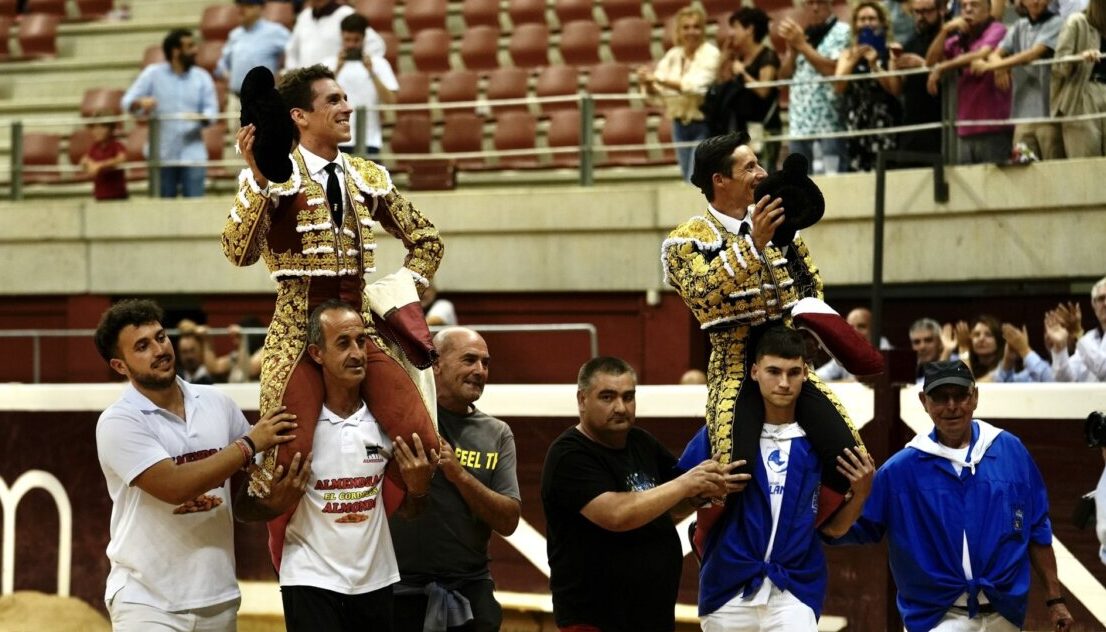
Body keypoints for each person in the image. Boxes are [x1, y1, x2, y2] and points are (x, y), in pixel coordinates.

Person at [222, 63, 443, 562]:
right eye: (334, 101)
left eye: (346, 98)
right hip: (297, 329)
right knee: (284, 458)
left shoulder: (366, 175)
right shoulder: (274, 174)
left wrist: (400, 294)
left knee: (424, 440)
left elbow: (427, 240)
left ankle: (389, 515)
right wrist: (259, 179)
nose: (348, 107)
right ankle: (288, 552)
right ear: (299, 116)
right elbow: (238, 253)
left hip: (360, 325)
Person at [662, 132, 866, 522]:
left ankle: (810, 532)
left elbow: (811, 288)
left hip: (790, 362)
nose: (762, 173)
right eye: (750, 167)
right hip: (735, 367)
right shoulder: (687, 239)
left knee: (852, 459)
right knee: (732, 470)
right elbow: (703, 294)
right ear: (720, 180)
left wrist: (785, 250)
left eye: (759, 163)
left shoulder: (777, 225)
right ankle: (710, 539)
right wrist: (753, 244)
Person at [93, 299, 296, 630]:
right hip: (146, 602)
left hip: (218, 595)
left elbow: (254, 481)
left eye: (161, 337)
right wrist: (248, 444)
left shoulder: (217, 402)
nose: (159, 349)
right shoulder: (119, 421)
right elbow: (174, 487)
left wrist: (275, 496)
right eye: (142, 346)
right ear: (120, 366)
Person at [828, 360, 1075, 632]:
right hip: (937, 619)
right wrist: (853, 496)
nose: (952, 406)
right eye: (940, 397)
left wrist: (1055, 599)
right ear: (924, 401)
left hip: (1005, 615)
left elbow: (1037, 528)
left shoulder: (1010, 452)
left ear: (975, 396)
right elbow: (848, 529)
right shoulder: (899, 471)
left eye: (960, 395)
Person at [234, 300, 435, 632]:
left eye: (361, 341)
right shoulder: (292, 427)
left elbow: (412, 512)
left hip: (376, 578)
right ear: (317, 353)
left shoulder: (387, 424)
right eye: (343, 343)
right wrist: (274, 503)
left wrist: (419, 490)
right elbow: (243, 508)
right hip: (308, 578)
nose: (356, 353)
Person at [680, 326, 876, 631]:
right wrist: (702, 489)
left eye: (793, 372)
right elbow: (677, 502)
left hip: (795, 589)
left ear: (805, 374)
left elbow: (833, 530)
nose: (784, 383)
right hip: (728, 589)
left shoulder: (820, 445)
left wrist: (861, 493)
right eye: (774, 371)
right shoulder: (721, 436)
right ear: (755, 372)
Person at [541, 356, 746, 632]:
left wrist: (699, 494)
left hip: (654, 616)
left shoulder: (641, 442)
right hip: (595, 620)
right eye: (607, 397)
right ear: (582, 400)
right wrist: (687, 484)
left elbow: (668, 507)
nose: (620, 407)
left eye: (628, 397)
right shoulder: (568, 455)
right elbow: (617, 515)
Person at [390, 327, 521, 632]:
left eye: (485, 363)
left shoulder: (497, 433)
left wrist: (458, 474)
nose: (480, 371)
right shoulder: (400, 419)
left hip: (470, 592)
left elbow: (509, 520)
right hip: (398, 591)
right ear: (436, 363)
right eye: (469, 360)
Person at [121, 28, 218, 198]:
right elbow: (127, 102)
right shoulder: (152, 74)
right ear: (175, 51)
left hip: (193, 154)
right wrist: (140, 103)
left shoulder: (202, 77)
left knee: (194, 207)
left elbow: (212, 112)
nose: (196, 50)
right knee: (163, 208)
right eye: (190, 46)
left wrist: (200, 117)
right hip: (162, 155)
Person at [971, 0, 1065, 161]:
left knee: (1053, 164)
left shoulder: (1057, 23)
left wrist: (990, 67)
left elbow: (1032, 54)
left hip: (1048, 115)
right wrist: (999, 68)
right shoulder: (1019, 26)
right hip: (1023, 116)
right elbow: (995, 54)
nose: (1035, 1)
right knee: (1021, 165)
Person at [637, 5, 721, 182]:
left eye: (696, 27)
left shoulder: (711, 54)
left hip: (704, 122)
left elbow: (695, 86)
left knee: (695, 177)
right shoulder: (673, 55)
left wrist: (656, 79)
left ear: (703, 30)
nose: (691, 32)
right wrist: (648, 83)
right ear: (679, 31)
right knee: (686, 176)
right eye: (686, 27)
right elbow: (658, 93)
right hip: (678, 124)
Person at [925, 0, 1012, 164]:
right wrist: (944, 31)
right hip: (965, 127)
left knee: (995, 180)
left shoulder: (997, 29)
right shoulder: (958, 39)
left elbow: (982, 53)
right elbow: (930, 62)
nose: (968, 10)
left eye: (974, 5)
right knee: (966, 179)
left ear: (988, 10)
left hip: (994, 126)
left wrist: (943, 67)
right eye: (964, 6)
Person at [703, 8, 782, 172]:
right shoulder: (739, 57)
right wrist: (724, 57)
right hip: (741, 127)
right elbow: (720, 84)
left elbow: (764, 90)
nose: (731, 33)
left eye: (735, 27)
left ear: (749, 29)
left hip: (763, 127)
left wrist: (743, 73)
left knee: (764, 172)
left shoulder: (767, 56)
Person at [778, 0, 852, 174]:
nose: (815, 8)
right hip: (799, 122)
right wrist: (793, 52)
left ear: (830, 3)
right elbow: (783, 77)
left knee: (833, 181)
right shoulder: (802, 34)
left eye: (820, 2)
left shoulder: (843, 32)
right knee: (798, 181)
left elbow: (833, 70)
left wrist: (802, 46)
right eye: (810, 3)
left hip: (830, 122)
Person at [834, 1, 902, 172]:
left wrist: (874, 65)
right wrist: (854, 60)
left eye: (872, 19)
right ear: (855, 24)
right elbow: (838, 87)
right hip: (856, 123)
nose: (867, 23)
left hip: (884, 121)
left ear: (881, 22)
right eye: (862, 19)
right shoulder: (847, 54)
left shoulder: (891, 51)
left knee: (885, 173)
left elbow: (895, 89)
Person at [325, 12, 397, 157]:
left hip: (369, 139)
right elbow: (319, 98)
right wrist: (337, 70)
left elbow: (391, 100)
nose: (351, 45)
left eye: (356, 40)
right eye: (347, 40)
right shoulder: (329, 64)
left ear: (364, 39)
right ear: (341, 37)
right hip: (334, 139)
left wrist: (372, 72)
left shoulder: (379, 64)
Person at [888, 0, 947, 160]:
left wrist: (922, 64)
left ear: (940, 10)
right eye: (917, 12)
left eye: (927, 11)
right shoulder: (910, 42)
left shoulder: (949, 38)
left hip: (940, 121)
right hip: (912, 122)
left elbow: (951, 76)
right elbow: (897, 89)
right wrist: (893, 64)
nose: (922, 17)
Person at [1051, 0, 1106, 157]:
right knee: (1086, 158)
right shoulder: (1076, 21)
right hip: (1082, 94)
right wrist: (1079, 57)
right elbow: (1058, 67)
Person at [215, 0, 291, 97]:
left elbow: (294, 55)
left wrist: (283, 72)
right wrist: (226, 75)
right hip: (235, 96)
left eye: (247, 5)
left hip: (263, 98)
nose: (241, 9)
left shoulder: (276, 32)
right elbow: (222, 64)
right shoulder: (235, 34)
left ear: (260, 8)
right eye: (239, 5)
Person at [285, 0, 385, 70]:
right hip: (306, 84)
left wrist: (355, 70)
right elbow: (291, 51)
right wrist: (293, 73)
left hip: (335, 82)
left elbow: (376, 46)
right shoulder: (304, 16)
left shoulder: (346, 14)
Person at [1045, 275, 1106, 381]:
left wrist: (1078, 333)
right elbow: (1065, 379)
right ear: (1093, 305)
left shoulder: (1083, 339)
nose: (1105, 303)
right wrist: (1060, 347)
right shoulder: (1090, 338)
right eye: (1101, 299)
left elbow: (1104, 369)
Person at [815, 306, 893, 381]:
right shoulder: (845, 350)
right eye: (850, 327)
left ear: (874, 329)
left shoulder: (886, 351)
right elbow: (821, 375)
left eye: (861, 326)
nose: (855, 331)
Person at [80, 114, 127, 201]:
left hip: (117, 196)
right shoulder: (94, 147)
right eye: (94, 128)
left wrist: (100, 166)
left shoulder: (116, 145)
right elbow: (84, 160)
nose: (97, 131)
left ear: (110, 129)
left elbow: (121, 158)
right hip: (100, 195)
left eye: (101, 128)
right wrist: (89, 164)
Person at [909, 317, 948, 383]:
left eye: (928, 340)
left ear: (940, 342)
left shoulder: (956, 363)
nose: (922, 347)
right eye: (917, 342)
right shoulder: (911, 372)